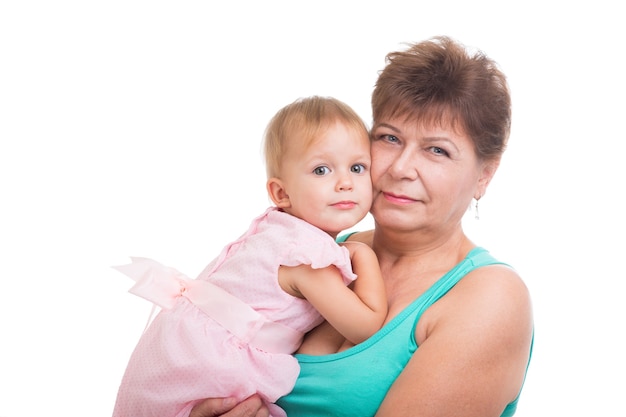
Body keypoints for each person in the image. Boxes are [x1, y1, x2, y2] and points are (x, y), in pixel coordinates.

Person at [190, 36, 534, 417]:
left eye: (437, 150)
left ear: (485, 175)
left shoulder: (490, 298)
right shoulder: (321, 250)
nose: (401, 168)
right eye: (389, 138)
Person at [112, 96, 388, 417]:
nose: (344, 183)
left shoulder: (276, 229)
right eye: (321, 170)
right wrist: (365, 255)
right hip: (207, 364)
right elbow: (365, 326)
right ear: (281, 193)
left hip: (176, 353)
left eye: (357, 167)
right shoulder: (306, 257)